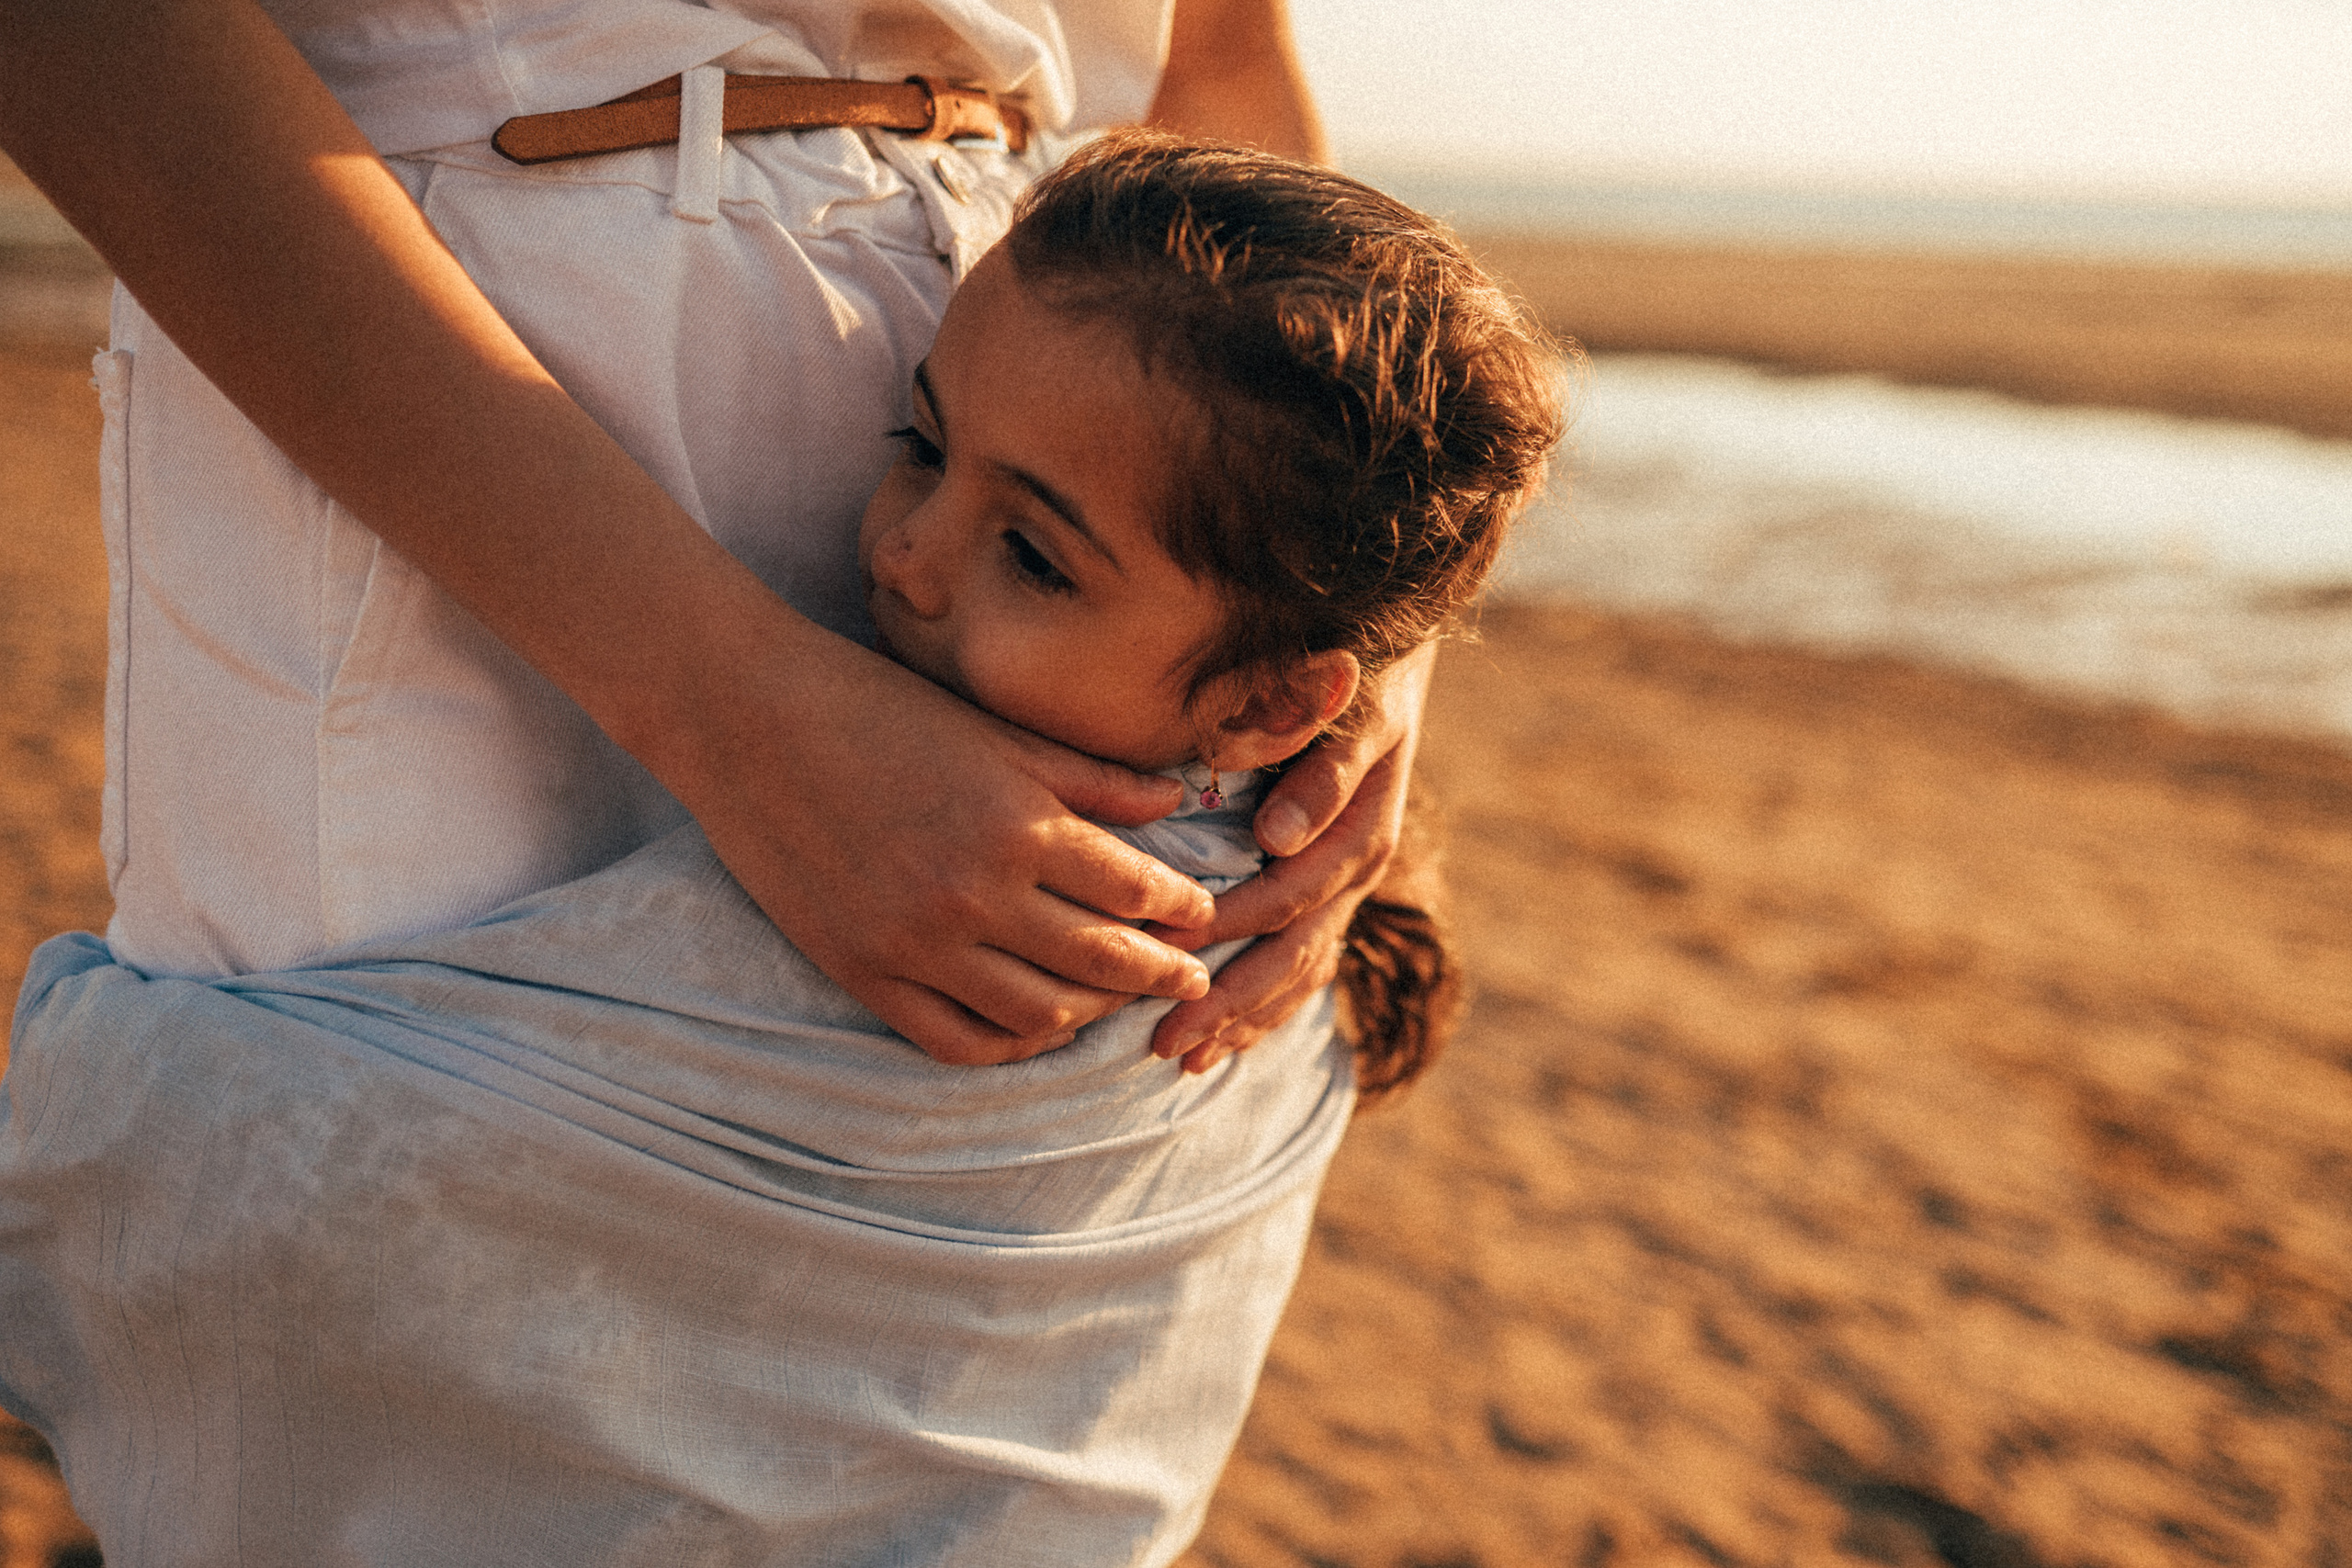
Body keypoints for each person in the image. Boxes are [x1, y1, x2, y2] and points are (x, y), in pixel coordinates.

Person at [0, 132, 1564, 1562]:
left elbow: (220, 1169)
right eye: (916, 447)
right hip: (458, 392)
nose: (899, 549)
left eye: (1026, 553)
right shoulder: (1064, 543)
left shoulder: (1269, 905)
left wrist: (1378, 663)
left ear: (1280, 692)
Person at [0, 0, 1411, 1081]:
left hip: (1017, 348)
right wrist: (723, 698)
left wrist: (1361, 602)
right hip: (462, 396)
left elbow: (1220, 53)